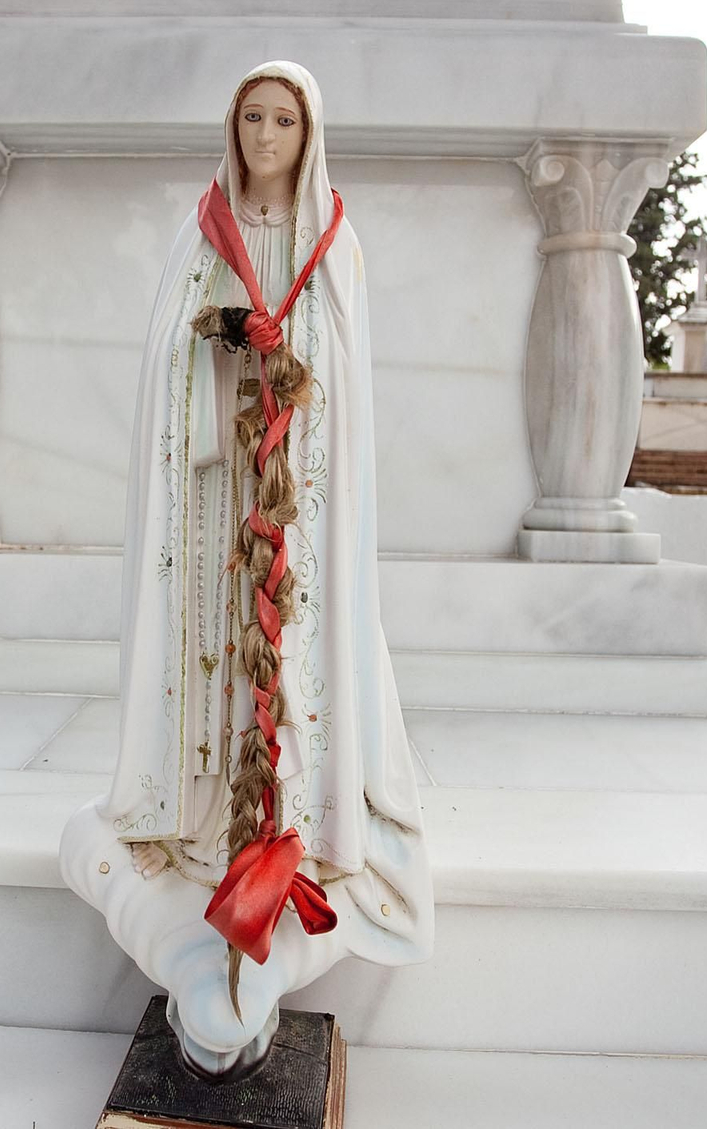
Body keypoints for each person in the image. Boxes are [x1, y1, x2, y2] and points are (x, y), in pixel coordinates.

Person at [59, 60, 432, 1077]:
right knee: (214, 660)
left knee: (291, 658)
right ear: (232, 129)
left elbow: (349, 388)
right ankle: (200, 822)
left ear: (309, 132)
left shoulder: (333, 240)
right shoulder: (203, 235)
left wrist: (293, 372)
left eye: (283, 119)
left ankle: (291, 824)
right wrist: (221, 358)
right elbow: (162, 370)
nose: (266, 137)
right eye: (252, 118)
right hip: (221, 502)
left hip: (295, 505)